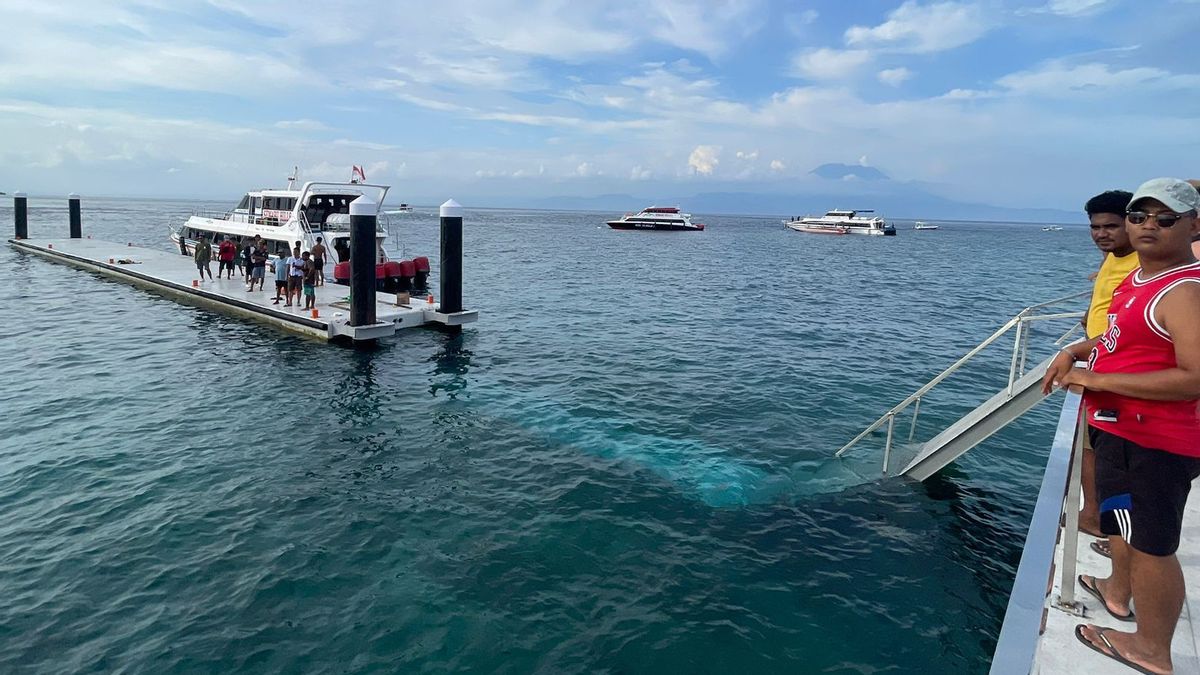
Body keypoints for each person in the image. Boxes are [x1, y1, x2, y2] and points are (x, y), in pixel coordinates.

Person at [1043, 178, 1200, 675]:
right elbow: (1114, 335)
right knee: (1121, 522)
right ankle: (1116, 592)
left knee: (1154, 546)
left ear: (1194, 225)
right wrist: (1074, 350)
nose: (1148, 225)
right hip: (1121, 429)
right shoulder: (1139, 278)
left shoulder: (1184, 291)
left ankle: (1151, 650)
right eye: (1139, 216)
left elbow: (1194, 377)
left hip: (1154, 440)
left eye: (1165, 218)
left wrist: (1095, 377)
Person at [1075, 190, 1138, 550]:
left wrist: (1075, 351)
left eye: (1111, 226)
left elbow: (1127, 329)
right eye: (1095, 227)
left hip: (1112, 369)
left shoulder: (1140, 266)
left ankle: (1096, 519)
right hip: (1097, 362)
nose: (1101, 234)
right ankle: (1099, 516)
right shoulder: (1113, 259)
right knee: (1091, 446)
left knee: (1095, 448)